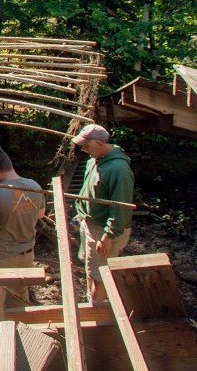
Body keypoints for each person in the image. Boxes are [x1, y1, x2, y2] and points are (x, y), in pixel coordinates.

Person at [0, 147, 46, 306]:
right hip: (27, 254)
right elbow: (40, 214)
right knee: (20, 297)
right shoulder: (34, 185)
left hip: (3, 257)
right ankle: (24, 329)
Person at [72, 123, 134, 303]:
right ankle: (93, 300)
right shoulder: (94, 160)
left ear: (100, 143)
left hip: (103, 231)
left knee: (101, 275)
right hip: (90, 224)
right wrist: (80, 211)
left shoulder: (118, 170)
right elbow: (87, 190)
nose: (83, 149)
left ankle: (97, 311)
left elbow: (121, 207)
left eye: (86, 145)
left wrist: (108, 235)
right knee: (91, 267)